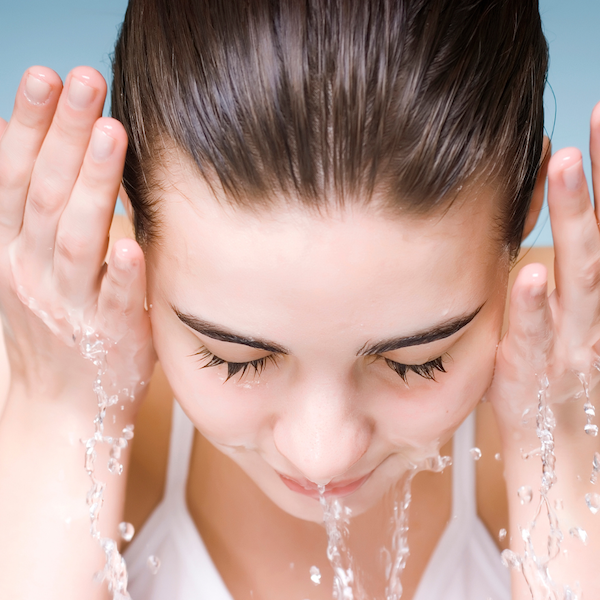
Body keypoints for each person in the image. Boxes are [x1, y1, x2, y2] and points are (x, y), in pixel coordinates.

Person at [1, 0, 599, 598]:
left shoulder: (583, 354)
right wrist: (61, 409)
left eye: (417, 362)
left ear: (526, 213)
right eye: (234, 359)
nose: (324, 456)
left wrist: (564, 434)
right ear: (133, 213)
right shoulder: (43, 342)